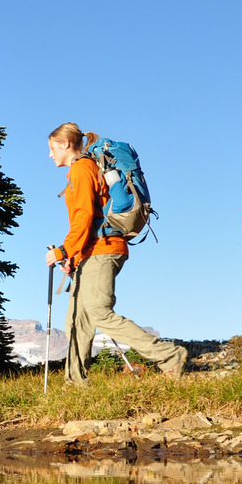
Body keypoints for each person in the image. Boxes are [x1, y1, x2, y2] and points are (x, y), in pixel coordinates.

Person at [46, 123, 188, 385]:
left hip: (103, 248)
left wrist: (64, 250)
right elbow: (89, 216)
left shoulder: (81, 168)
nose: (50, 155)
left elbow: (84, 216)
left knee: (99, 312)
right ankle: (75, 383)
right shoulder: (84, 168)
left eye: (52, 148)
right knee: (77, 319)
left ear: (65, 144)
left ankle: (169, 356)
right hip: (92, 250)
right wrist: (73, 256)